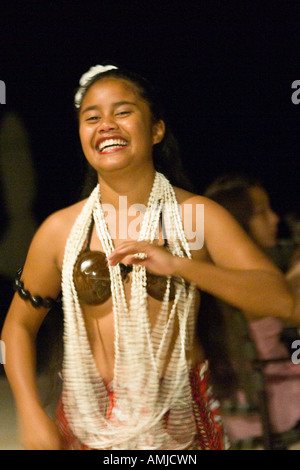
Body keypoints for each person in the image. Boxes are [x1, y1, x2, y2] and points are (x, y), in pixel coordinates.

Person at [1, 65, 297, 451]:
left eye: (122, 112)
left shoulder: (198, 216)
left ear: (157, 129)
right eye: (92, 117)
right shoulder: (61, 230)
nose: (106, 124)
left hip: (182, 424)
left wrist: (181, 265)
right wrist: (28, 410)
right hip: (88, 424)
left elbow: (280, 300)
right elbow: (16, 328)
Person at [204, 174, 300, 442]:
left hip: (238, 411)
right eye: (261, 212)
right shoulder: (254, 290)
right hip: (277, 402)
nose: (274, 219)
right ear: (237, 223)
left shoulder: (218, 278)